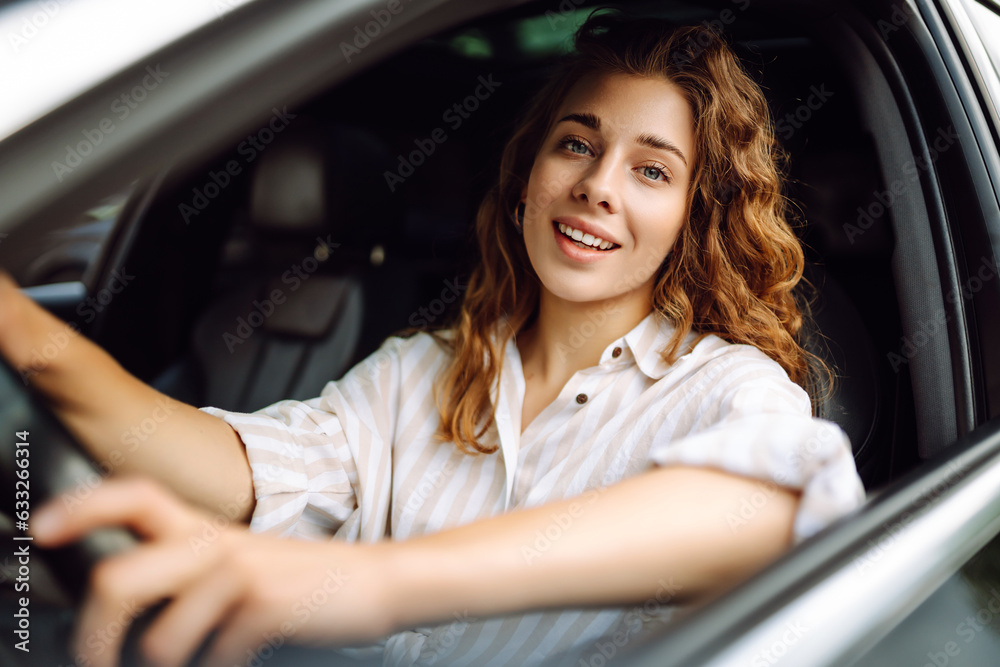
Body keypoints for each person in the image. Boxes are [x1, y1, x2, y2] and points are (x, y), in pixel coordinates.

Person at [0, 11, 865, 667]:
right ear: (528, 182)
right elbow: (240, 468)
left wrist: (374, 585)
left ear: (692, 220)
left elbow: (777, 505)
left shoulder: (726, 388)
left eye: (651, 169)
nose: (598, 186)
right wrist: (29, 340)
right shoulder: (425, 368)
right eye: (577, 144)